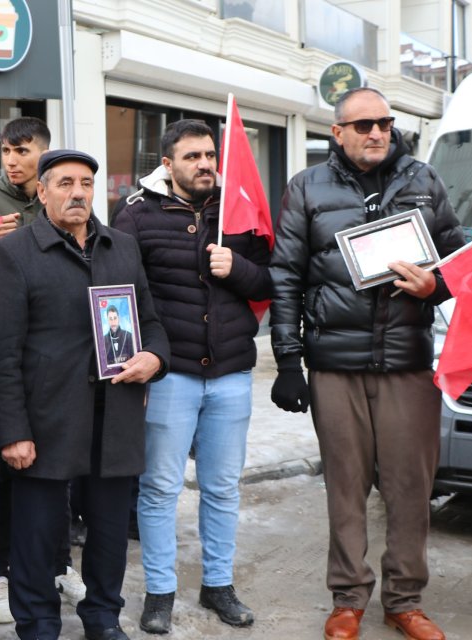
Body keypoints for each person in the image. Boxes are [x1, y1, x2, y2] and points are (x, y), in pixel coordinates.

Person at [270, 87, 464, 640]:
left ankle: (405, 600)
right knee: (345, 488)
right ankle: (348, 598)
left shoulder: (424, 180)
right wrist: (288, 361)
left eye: (384, 122)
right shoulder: (306, 186)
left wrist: (435, 286)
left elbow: (461, 258)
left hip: (407, 363)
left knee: (410, 489)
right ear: (337, 132)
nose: (377, 132)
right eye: (363, 125)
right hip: (336, 364)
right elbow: (286, 275)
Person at [0, 149, 169, 640]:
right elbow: (1, 354)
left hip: (116, 417)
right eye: (65, 183)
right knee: (37, 535)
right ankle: (39, 625)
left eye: (86, 183)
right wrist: (13, 431)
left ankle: (103, 618)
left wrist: (154, 357)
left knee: (109, 533)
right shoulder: (14, 253)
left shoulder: (121, 247)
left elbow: (150, 321)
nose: (78, 193)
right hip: (47, 421)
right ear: (42, 192)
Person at [113, 119, 272, 633]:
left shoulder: (238, 210)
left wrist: (238, 268)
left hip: (231, 372)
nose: (205, 164)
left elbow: (270, 281)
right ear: (167, 164)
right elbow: (122, 294)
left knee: (222, 487)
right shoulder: (136, 215)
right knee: (160, 488)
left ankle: (218, 585)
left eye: (209, 155)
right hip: (170, 375)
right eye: (192, 157)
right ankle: (159, 592)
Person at [0, 117, 86, 622]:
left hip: (63, 362)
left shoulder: (64, 197)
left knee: (58, 467)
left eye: (23, 150)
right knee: (1, 468)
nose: (12, 160)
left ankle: (59, 564)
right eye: (5, 151)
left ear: (44, 152)